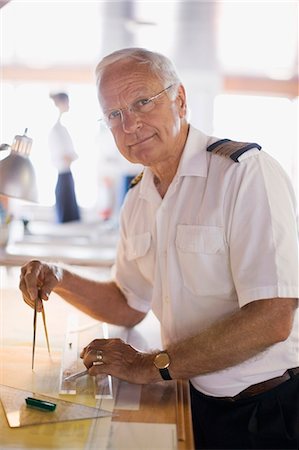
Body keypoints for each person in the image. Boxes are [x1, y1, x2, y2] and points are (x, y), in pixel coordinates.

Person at [19, 48, 298, 449]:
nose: (130, 124)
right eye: (114, 114)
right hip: (190, 398)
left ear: (180, 99)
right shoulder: (138, 199)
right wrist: (59, 277)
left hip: (265, 411)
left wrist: (149, 365)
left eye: (142, 102)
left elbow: (272, 318)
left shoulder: (244, 173)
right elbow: (128, 302)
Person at [48, 92, 80, 223]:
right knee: (67, 218)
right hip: (63, 174)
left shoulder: (62, 128)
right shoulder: (55, 130)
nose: (68, 105)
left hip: (67, 174)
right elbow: (64, 156)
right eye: (67, 102)